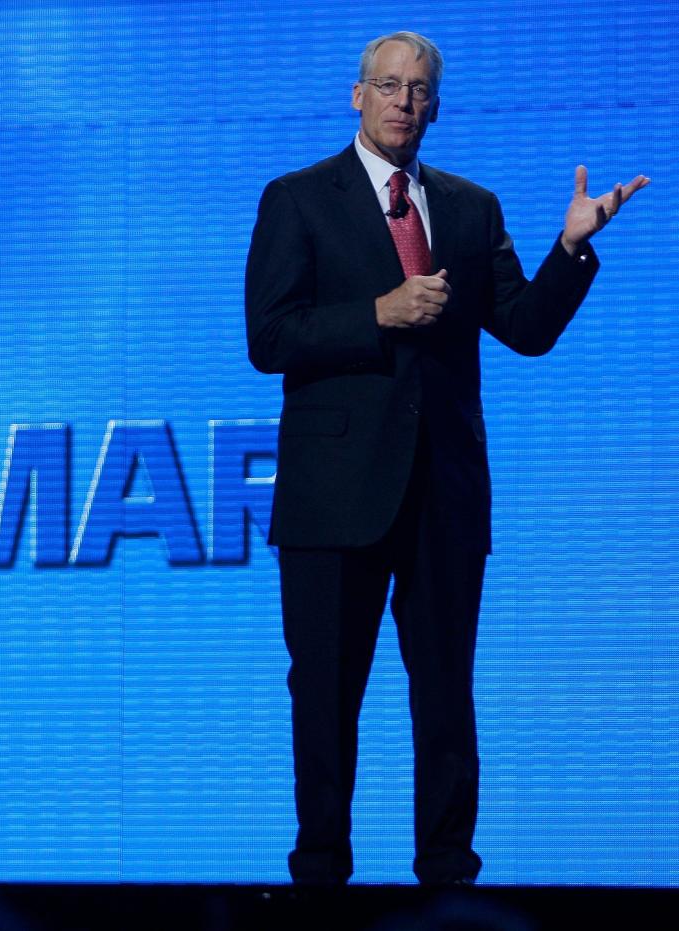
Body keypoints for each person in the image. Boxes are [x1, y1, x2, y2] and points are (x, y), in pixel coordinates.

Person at [243, 31, 648, 885]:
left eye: (418, 90)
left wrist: (571, 248)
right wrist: (379, 312)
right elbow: (269, 337)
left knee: (445, 695)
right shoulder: (298, 199)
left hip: (442, 493)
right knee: (323, 695)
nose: (403, 102)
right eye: (387, 86)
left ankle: (446, 875)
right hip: (333, 496)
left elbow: (526, 329)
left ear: (436, 104)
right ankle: (319, 871)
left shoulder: (469, 208)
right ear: (356, 96)